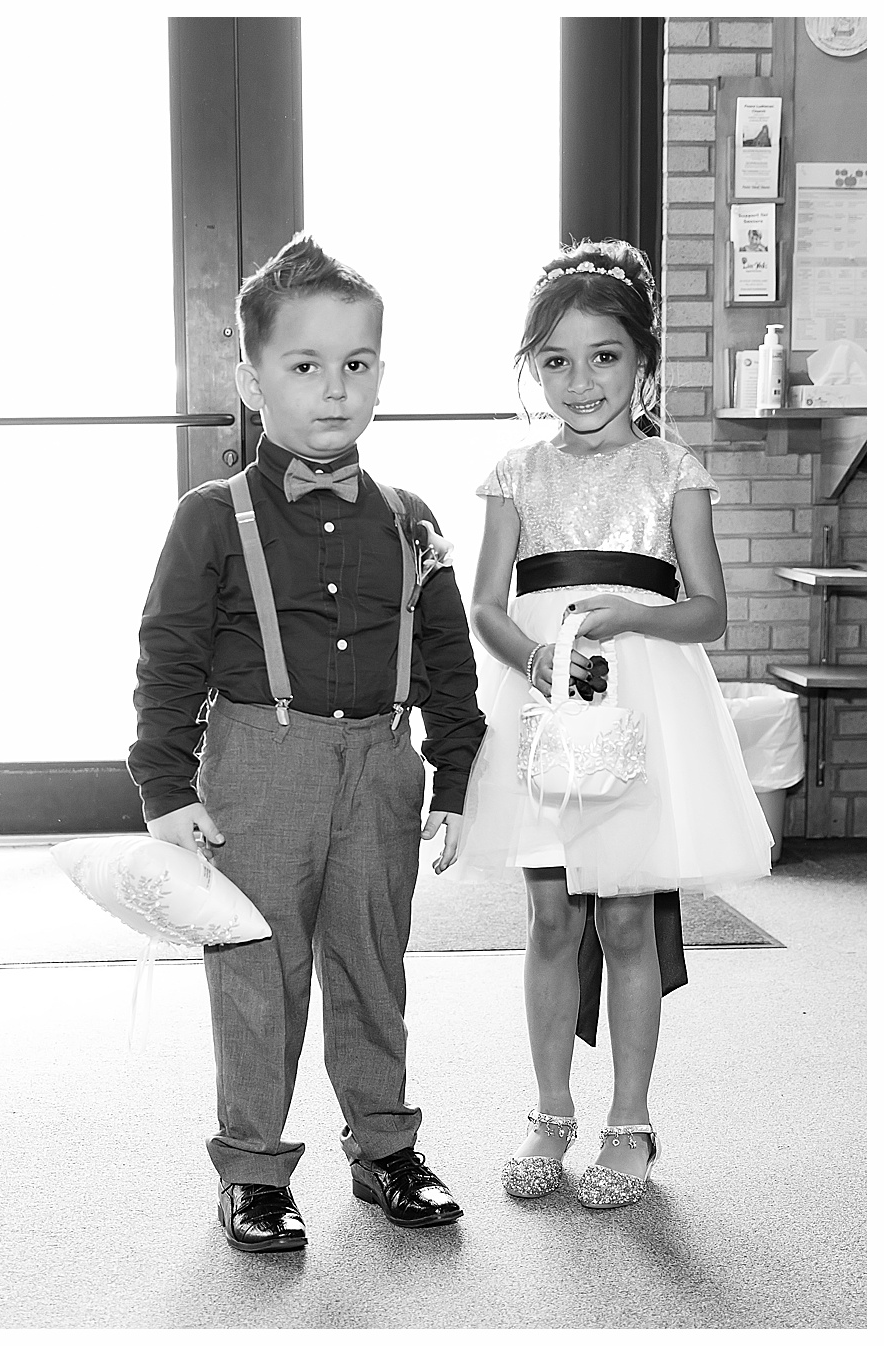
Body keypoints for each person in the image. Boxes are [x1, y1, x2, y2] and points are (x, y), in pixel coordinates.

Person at [129, 233, 486, 1253]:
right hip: (258, 763)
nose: (335, 389)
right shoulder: (209, 519)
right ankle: (251, 1166)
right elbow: (170, 653)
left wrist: (453, 774)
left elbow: (448, 661)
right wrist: (164, 783)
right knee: (258, 968)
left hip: (380, 761)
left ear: (381, 370)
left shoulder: (412, 521)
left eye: (357, 364)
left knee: (374, 961)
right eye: (304, 365)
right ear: (250, 378)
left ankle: (384, 1146)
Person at [458, 239, 773, 1211]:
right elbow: (487, 605)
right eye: (555, 360)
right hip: (548, 697)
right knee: (552, 914)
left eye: (604, 356)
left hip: (639, 693)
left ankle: (627, 1122)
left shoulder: (672, 468)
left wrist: (634, 615)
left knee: (628, 912)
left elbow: (709, 609)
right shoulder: (517, 472)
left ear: (643, 364)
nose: (580, 380)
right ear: (530, 370)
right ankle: (549, 1110)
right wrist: (539, 658)